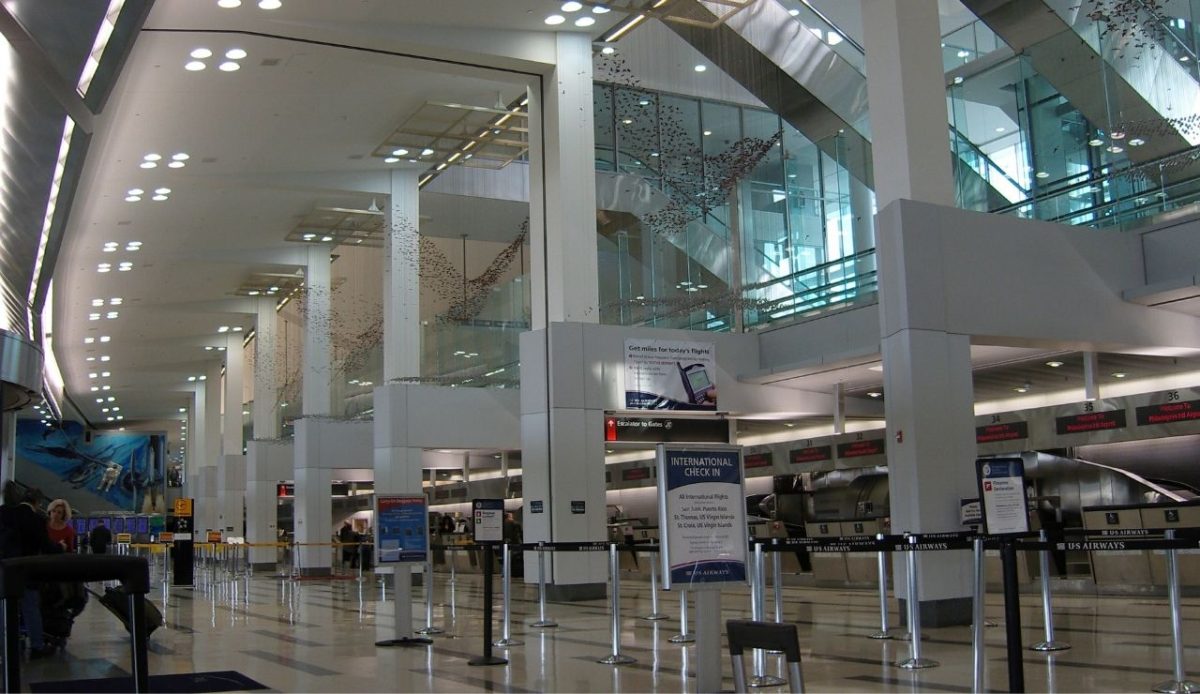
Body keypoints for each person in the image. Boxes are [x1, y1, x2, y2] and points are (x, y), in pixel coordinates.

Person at [0, 482, 59, 658]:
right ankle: (37, 646)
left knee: (4, 607)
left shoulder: (5, 513)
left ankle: (5, 646)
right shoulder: (37, 519)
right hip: (27, 571)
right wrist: (60, 548)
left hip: (4, 568)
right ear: (37, 502)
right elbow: (46, 547)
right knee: (30, 608)